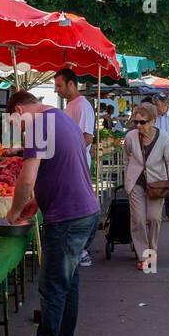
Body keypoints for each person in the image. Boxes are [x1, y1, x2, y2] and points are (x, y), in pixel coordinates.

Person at [1, 91, 100, 336]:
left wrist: (13, 213)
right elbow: (62, 168)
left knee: (54, 285)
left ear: (19, 110)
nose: (18, 129)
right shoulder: (61, 118)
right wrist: (36, 202)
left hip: (68, 217)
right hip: (84, 212)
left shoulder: (37, 126)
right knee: (68, 283)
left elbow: (27, 178)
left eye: (14, 123)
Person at [123, 103, 169, 272]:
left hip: (156, 184)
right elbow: (126, 158)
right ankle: (144, 256)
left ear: (153, 121)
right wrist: (128, 179)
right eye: (136, 122)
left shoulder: (164, 138)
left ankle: (151, 252)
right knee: (138, 219)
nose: (138, 125)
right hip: (136, 183)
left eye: (143, 122)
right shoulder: (130, 137)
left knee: (154, 218)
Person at [54, 67, 97, 267]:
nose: (56, 90)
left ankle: (82, 250)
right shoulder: (70, 105)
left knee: (77, 208)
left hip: (76, 166)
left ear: (71, 84)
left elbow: (87, 137)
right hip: (69, 166)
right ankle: (76, 248)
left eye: (59, 85)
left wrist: (66, 155)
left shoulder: (82, 106)